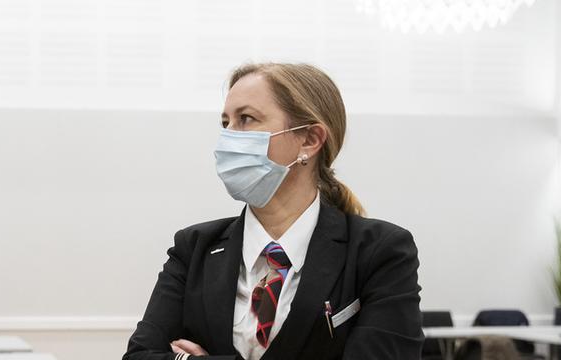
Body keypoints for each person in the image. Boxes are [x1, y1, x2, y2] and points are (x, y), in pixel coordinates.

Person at [122, 62, 424, 360]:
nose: (229, 137)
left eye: (247, 119)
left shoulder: (380, 252)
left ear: (309, 139)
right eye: (226, 123)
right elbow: (139, 356)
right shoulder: (194, 247)